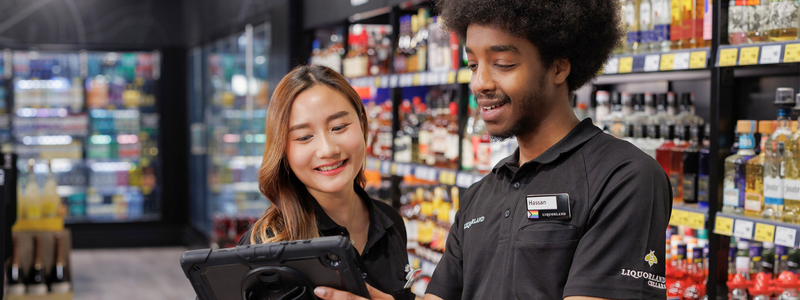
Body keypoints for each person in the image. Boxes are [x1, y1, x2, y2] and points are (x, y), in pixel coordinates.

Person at [318, 1, 672, 300]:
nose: (480, 83)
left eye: (502, 64)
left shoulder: (624, 177)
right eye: (473, 64)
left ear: (559, 66)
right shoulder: (480, 196)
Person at [237, 65, 414, 300]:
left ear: (362, 124)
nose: (328, 149)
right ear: (283, 151)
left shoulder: (391, 222)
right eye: (304, 137)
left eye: (339, 127)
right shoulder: (264, 244)